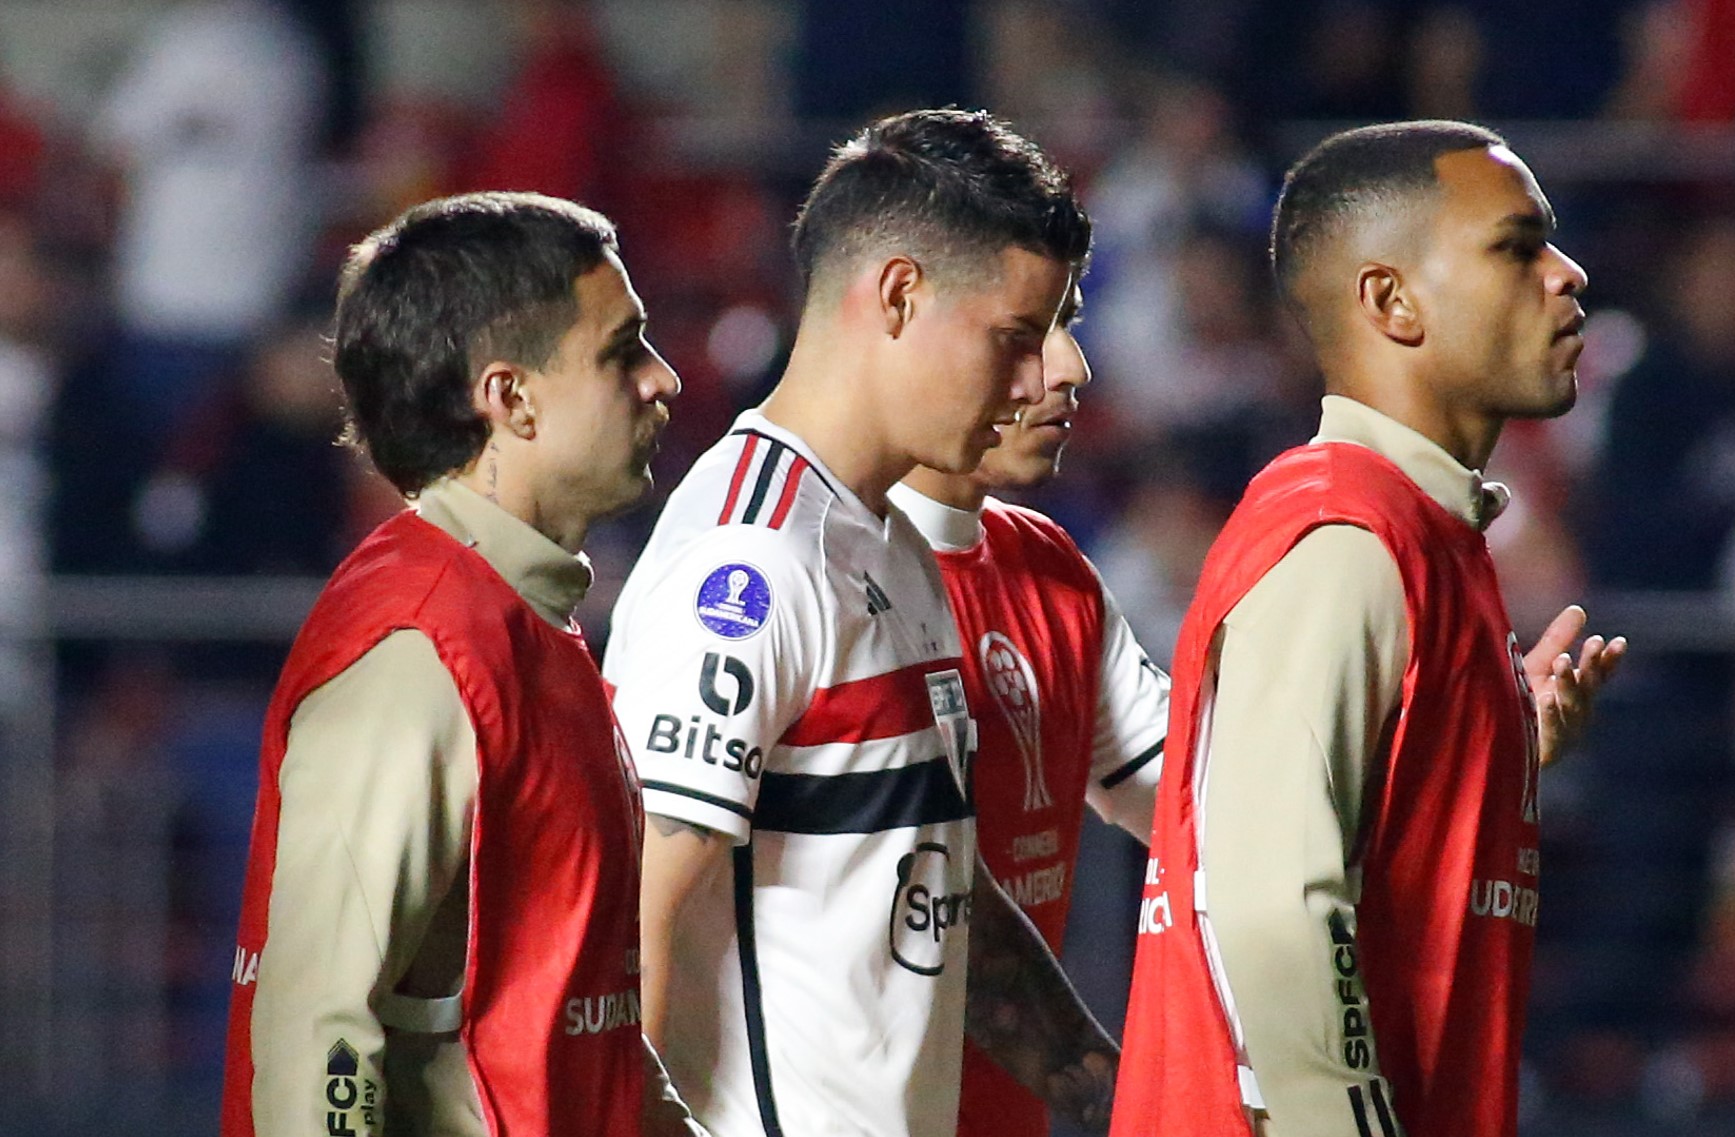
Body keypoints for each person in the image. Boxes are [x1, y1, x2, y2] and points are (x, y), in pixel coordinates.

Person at [603, 109, 1117, 1137]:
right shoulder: (749, 562)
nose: (1046, 379)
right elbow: (626, 943)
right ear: (896, 292)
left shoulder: (886, 541)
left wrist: (1121, 1095)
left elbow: (936, 889)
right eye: (1015, 336)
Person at [1112, 121, 1627, 1137]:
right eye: (1517, 247)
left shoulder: (1425, 537)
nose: (1566, 275)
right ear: (1391, 301)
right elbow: (1267, 910)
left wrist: (1499, 759)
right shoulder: (1346, 536)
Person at [222, 191, 696, 1137]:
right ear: (510, 398)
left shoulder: (513, 623)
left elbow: (576, 1022)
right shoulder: (421, 646)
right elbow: (321, 1029)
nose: (663, 380)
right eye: (622, 350)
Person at [886, 285, 1170, 1137]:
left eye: (1070, 330)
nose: (1072, 370)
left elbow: (1198, 801)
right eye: (1028, 334)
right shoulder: (815, 574)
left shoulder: (1048, 562)